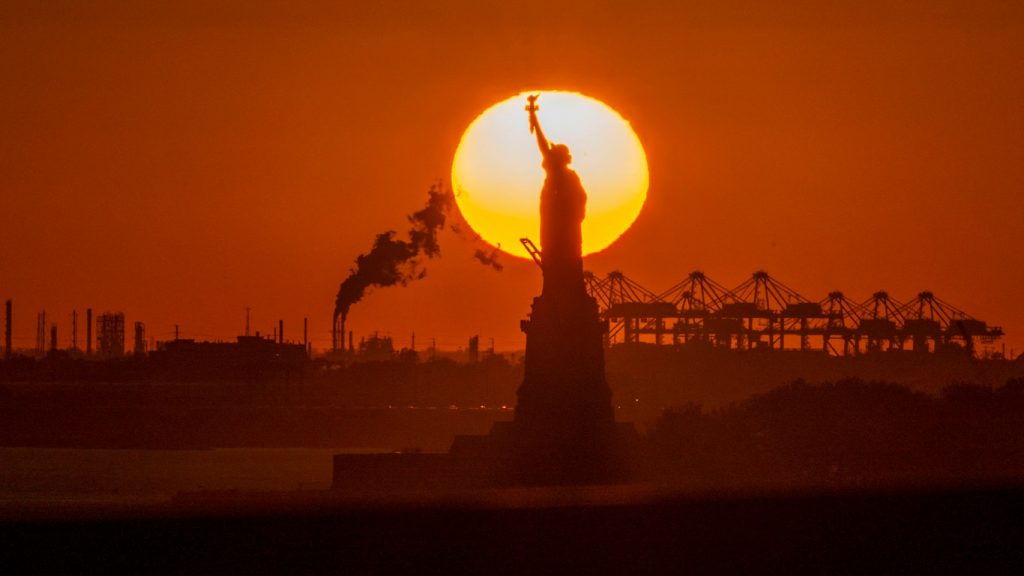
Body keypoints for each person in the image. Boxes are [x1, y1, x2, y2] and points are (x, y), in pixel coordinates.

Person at [527, 95, 587, 271]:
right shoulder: (559, 174)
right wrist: (534, 119)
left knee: (567, 250)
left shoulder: (569, 177)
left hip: (565, 221)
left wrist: (576, 212)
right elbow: (543, 145)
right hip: (552, 216)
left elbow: (582, 197)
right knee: (553, 248)